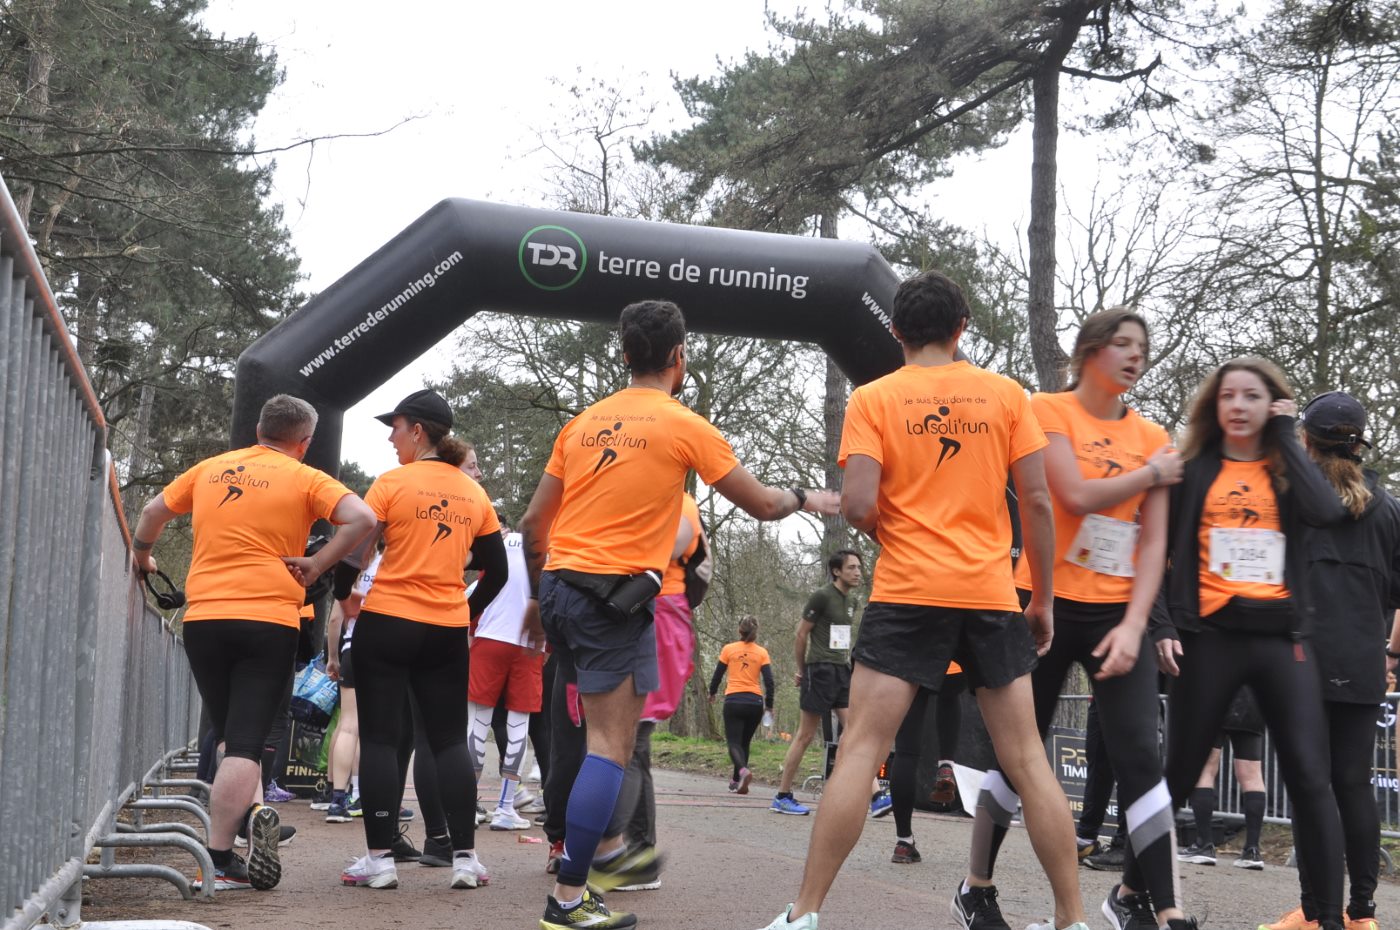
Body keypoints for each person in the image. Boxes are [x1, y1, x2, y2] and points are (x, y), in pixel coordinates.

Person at [754, 270, 1086, 930]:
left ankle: (805, 914)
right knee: (1027, 760)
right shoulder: (1007, 395)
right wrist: (1043, 598)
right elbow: (1038, 500)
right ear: (962, 327)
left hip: (908, 591)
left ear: (896, 330)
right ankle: (1072, 919)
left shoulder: (874, 398)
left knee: (860, 750)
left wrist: (897, 533)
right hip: (990, 594)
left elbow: (857, 505)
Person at [520, 298, 839, 930]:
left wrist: (537, 598)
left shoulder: (581, 424)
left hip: (557, 588)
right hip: (611, 598)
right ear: (678, 357)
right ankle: (568, 898)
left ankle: (598, 854)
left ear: (624, 353)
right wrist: (809, 496)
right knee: (610, 747)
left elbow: (534, 523)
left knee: (583, 738)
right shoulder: (683, 424)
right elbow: (763, 505)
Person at [955, 307, 1193, 930]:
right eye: (1123, 344)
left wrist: (1137, 625)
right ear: (1090, 350)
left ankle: (1159, 907)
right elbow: (1073, 495)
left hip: (1117, 612)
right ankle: (976, 886)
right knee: (1019, 753)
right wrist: (1151, 473)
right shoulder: (1048, 410)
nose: (1136, 355)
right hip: (1042, 603)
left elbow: (1154, 543)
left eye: (1143, 347)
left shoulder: (1154, 435)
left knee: (1141, 755)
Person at [132, 394, 376, 892]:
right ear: (304, 442)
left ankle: (251, 813)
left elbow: (153, 512)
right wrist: (317, 564)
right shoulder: (305, 477)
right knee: (246, 744)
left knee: (228, 735)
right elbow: (363, 518)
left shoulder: (211, 469)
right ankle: (220, 857)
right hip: (267, 618)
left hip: (205, 618)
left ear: (260, 429)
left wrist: (142, 557)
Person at [1152, 357, 1349, 930]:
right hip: (1210, 638)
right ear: (1214, 406)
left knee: (1311, 776)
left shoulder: (1286, 471)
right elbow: (1157, 552)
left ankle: (1329, 920)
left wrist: (1287, 436)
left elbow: (1328, 512)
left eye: (1252, 396)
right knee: (1181, 773)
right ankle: (1137, 890)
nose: (1238, 406)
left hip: (1280, 639)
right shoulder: (1194, 469)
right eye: (1228, 396)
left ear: (1272, 407)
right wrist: (1162, 625)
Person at [338, 389, 508, 891]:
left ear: (417, 431)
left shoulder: (391, 483)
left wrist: (345, 596)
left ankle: (380, 861)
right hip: (445, 630)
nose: (391, 438)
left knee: (381, 739)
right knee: (450, 739)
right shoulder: (473, 493)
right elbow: (496, 571)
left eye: (395, 427)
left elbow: (353, 550)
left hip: (387, 622)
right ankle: (464, 859)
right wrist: (464, 612)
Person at [1260, 391, 1400, 930]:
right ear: (1359, 445)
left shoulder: (1293, 500)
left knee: (1310, 786)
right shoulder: (1389, 509)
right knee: (1354, 784)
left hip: (1303, 661)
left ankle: (1316, 913)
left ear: (1306, 441)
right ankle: (1362, 914)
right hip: (1363, 660)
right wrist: (1390, 653)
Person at [770, 550, 877, 817]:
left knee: (854, 730)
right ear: (836, 571)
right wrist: (802, 670)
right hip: (819, 670)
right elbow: (801, 634)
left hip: (842, 670)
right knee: (805, 735)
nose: (857, 572)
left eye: (859, 567)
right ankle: (782, 796)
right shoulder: (822, 596)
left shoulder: (852, 601)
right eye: (851, 567)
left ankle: (875, 795)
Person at [467, 522, 547, 831]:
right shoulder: (550, 549)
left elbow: (481, 586)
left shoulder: (496, 543)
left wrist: (472, 632)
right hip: (530, 643)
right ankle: (504, 807)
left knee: (477, 723)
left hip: (489, 637)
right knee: (518, 727)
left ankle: (467, 806)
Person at [1178, 688, 1267, 869]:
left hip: (1212, 698)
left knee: (1205, 769)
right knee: (1252, 775)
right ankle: (1252, 850)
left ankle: (1204, 845)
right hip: (1252, 701)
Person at [887, 665, 964, 864]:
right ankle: (946, 765)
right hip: (953, 664)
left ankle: (904, 842)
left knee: (905, 753)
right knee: (950, 693)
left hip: (912, 662)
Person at [709, 616, 775, 793]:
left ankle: (743, 772)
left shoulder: (729, 649)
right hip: (755, 703)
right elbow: (769, 682)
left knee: (733, 743)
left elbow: (718, 674)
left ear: (740, 630)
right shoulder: (762, 653)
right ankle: (736, 782)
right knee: (744, 743)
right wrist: (769, 706)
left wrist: (712, 692)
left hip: (734, 700)